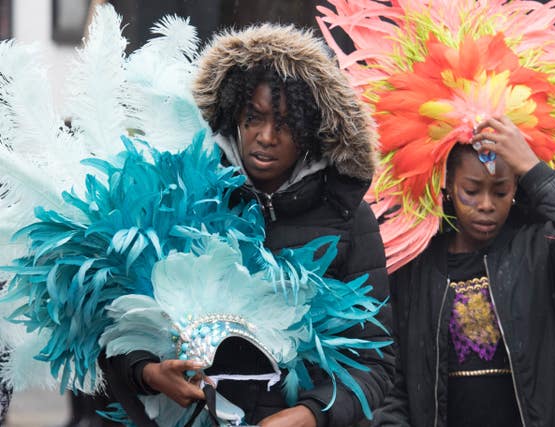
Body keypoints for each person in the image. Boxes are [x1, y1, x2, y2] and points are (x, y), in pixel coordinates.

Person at [100, 23, 392, 427]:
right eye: (254, 117)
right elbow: (114, 326)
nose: (266, 136)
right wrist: (148, 372)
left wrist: (309, 416)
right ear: (233, 114)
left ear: (312, 131)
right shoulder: (184, 199)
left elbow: (373, 359)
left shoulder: (349, 220)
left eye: (287, 124)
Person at [371, 117, 555, 426]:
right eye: (472, 191)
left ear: (516, 186)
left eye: (500, 192)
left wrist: (534, 170)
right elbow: (393, 375)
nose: (486, 205)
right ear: (447, 184)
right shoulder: (414, 263)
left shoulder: (538, 251)